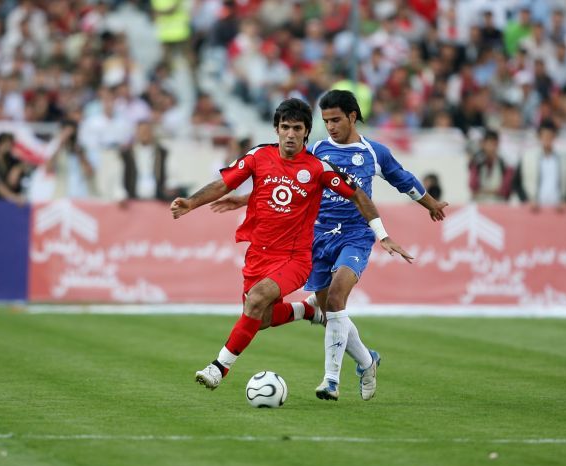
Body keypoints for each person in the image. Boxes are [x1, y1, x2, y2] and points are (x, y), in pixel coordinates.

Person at [211, 90, 448, 401]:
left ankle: (331, 380)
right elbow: (285, 181)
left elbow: (402, 179)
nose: (331, 126)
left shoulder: (373, 152)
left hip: (355, 235)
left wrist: (430, 205)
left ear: (352, 116)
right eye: (326, 121)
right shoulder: (317, 150)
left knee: (337, 298)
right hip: (318, 236)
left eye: (336, 120)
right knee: (328, 308)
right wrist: (244, 199)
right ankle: (367, 360)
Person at [171, 98, 413, 392]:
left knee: (257, 298)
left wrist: (382, 235)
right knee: (260, 317)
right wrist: (191, 203)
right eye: (285, 127)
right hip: (258, 254)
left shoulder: (318, 168)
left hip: (295, 258)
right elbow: (224, 184)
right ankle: (308, 311)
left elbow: (358, 195)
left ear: (306, 132)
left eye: (297, 128)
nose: (290, 134)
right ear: (276, 129)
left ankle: (218, 368)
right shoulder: (258, 156)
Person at [512, 119, 566, 211]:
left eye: (550, 136)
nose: (547, 139)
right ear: (539, 136)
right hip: (534, 209)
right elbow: (516, 183)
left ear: (555, 136)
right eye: (544, 135)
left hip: (559, 210)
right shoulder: (527, 158)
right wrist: (526, 200)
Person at [468, 129, 513, 203]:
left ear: (497, 144)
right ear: (482, 144)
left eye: (493, 144)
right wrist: (493, 191)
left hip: (498, 202)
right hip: (480, 202)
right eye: (488, 144)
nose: (491, 148)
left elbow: (504, 190)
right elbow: (473, 186)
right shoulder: (476, 163)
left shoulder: (505, 164)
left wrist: (483, 191)